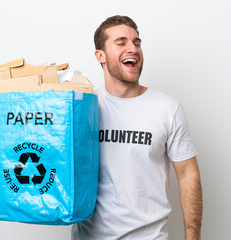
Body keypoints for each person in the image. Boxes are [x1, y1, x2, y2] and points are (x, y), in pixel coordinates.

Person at [72, 15, 202, 240]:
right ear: (100, 56)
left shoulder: (167, 108)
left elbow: (188, 174)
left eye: (137, 43)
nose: (132, 48)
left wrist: (193, 237)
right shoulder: (82, 108)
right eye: (121, 43)